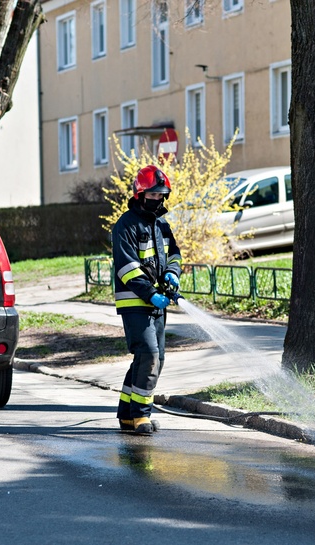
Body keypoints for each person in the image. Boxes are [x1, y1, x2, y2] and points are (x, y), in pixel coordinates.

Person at [111, 165, 183, 435]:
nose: (158, 199)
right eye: (153, 195)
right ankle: (141, 416)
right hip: (135, 302)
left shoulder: (162, 224)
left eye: (162, 195)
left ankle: (127, 415)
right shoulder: (125, 226)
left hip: (156, 303)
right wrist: (150, 292)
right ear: (140, 194)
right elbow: (127, 267)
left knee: (155, 358)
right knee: (149, 355)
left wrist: (172, 275)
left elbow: (173, 254)